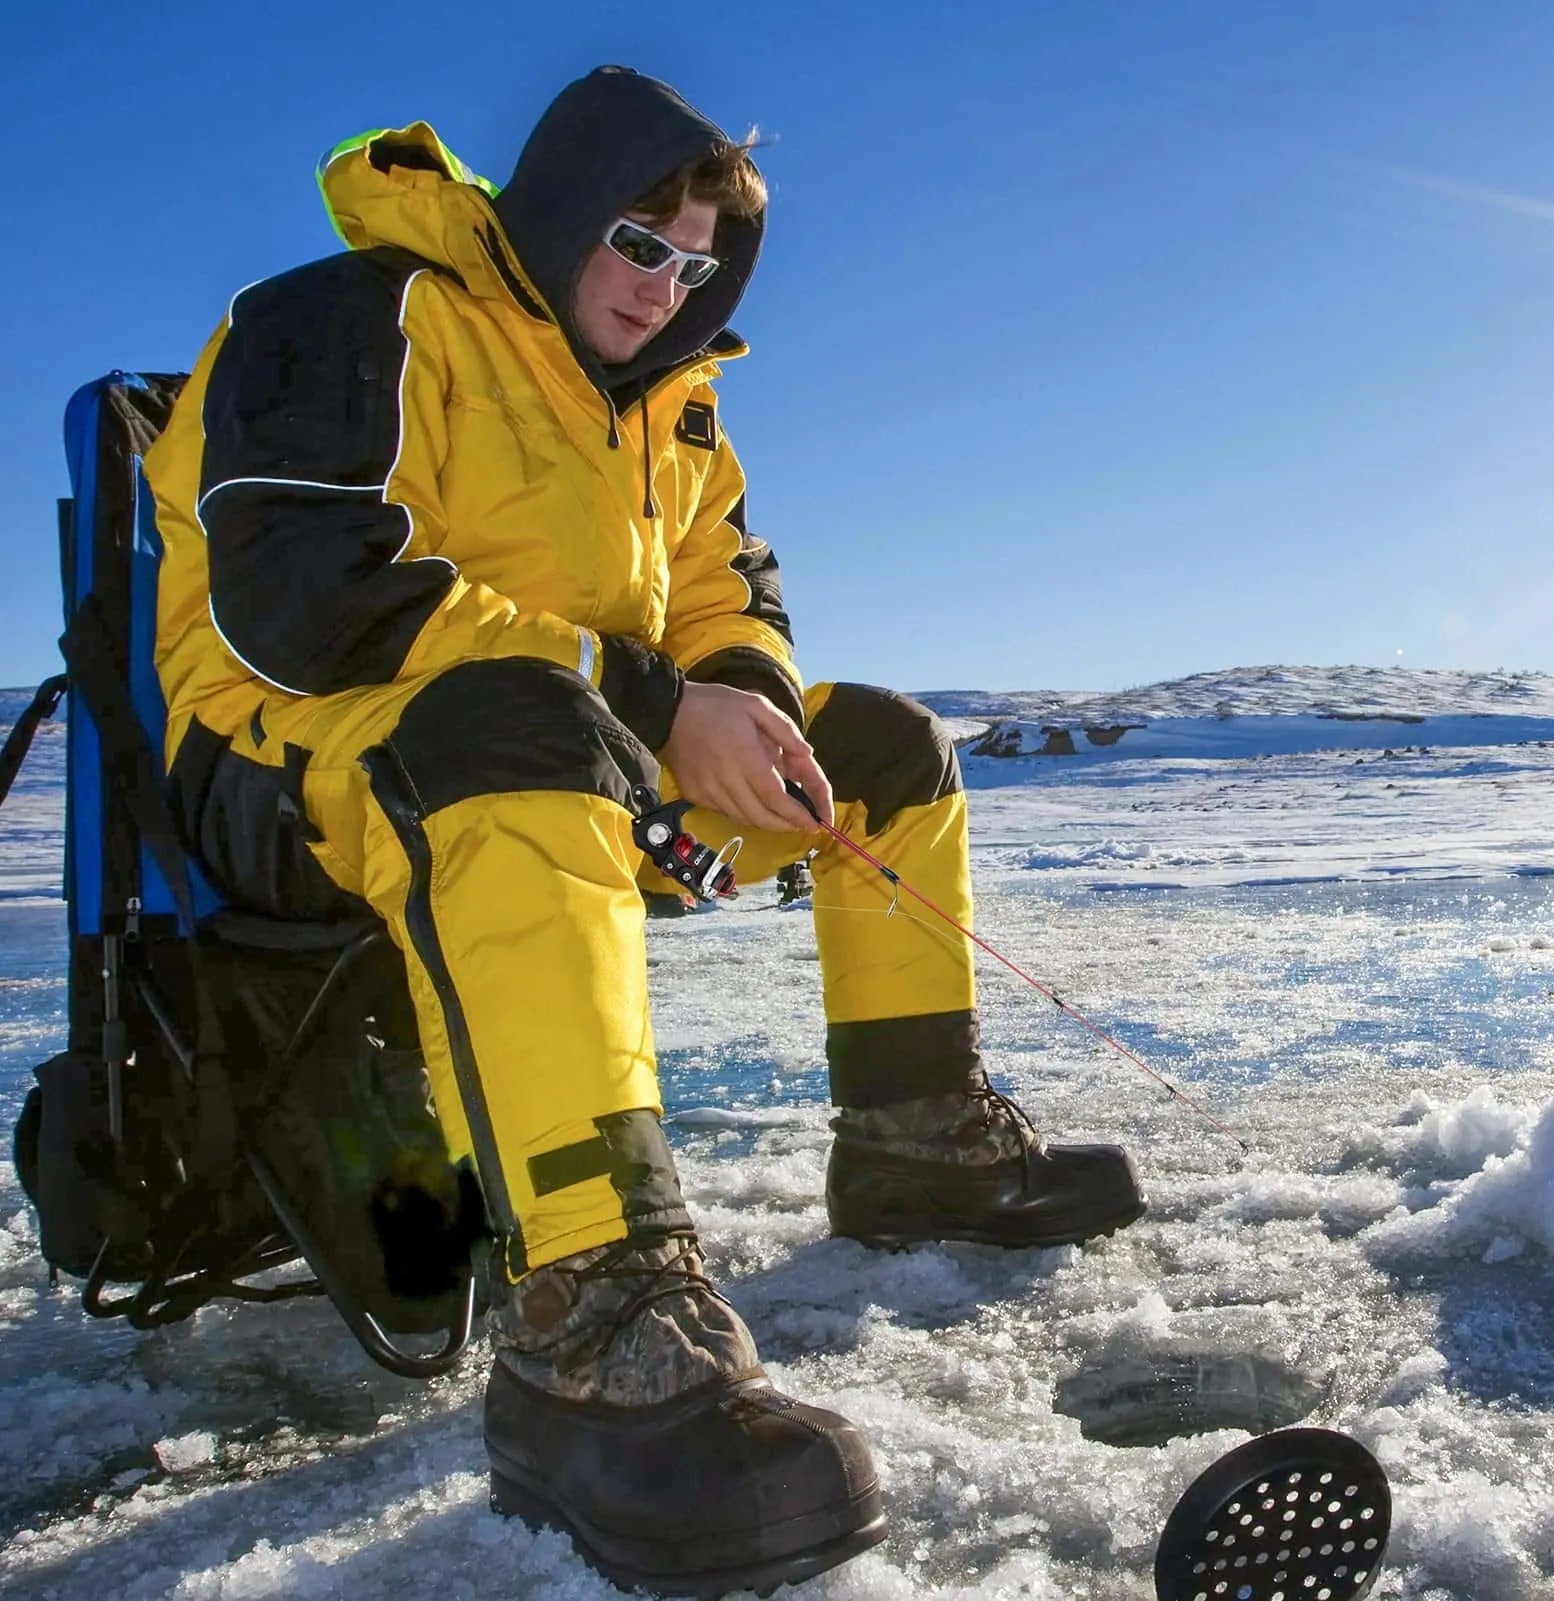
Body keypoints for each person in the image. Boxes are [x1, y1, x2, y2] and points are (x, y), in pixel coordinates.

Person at [142, 65, 1146, 1597]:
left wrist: (737, 701)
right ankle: (592, 1329)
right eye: (634, 240)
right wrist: (645, 702)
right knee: (519, 720)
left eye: (694, 265)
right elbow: (303, 596)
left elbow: (726, 595)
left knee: (873, 742)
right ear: (555, 210)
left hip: (569, 741)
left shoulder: (671, 407)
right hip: (294, 757)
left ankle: (915, 1142)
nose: (659, 287)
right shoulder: (354, 311)